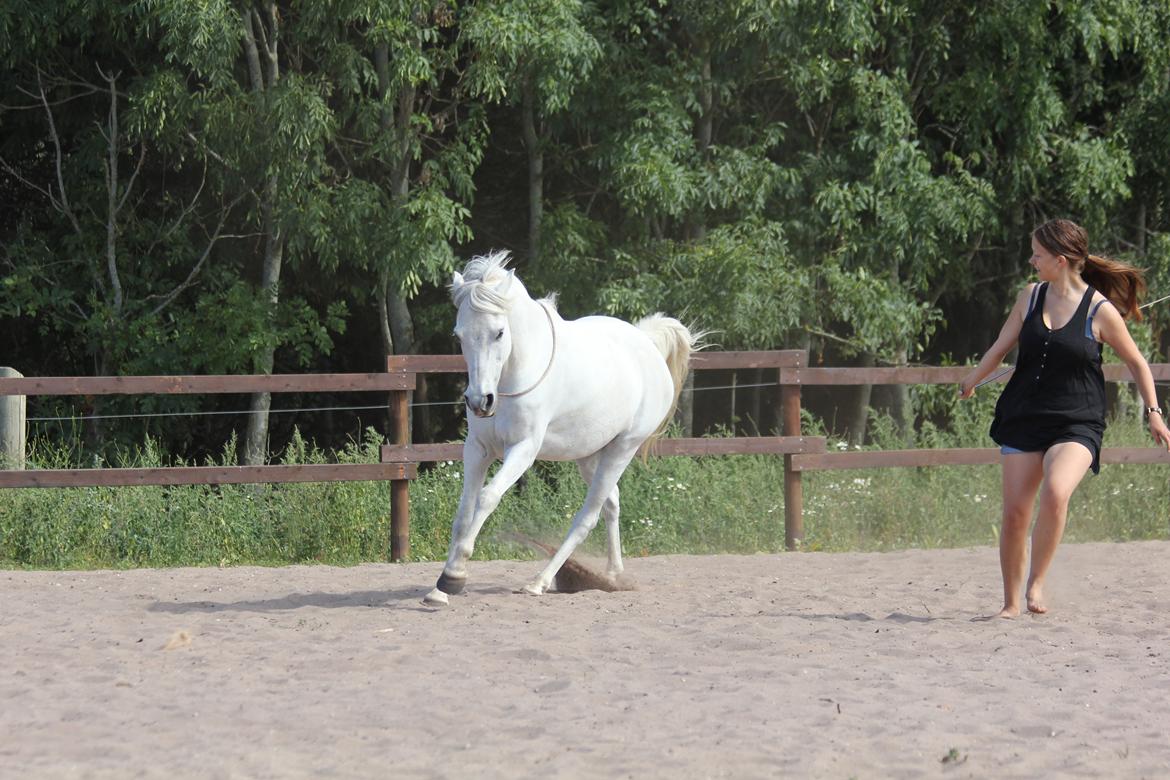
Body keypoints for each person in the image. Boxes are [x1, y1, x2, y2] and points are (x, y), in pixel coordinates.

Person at [959, 218, 1170, 618]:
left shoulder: (1100, 310)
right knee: (1015, 513)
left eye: (1037, 254)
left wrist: (1154, 414)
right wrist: (972, 379)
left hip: (1077, 419)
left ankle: (1036, 584)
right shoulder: (1030, 296)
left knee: (1056, 491)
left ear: (1059, 259)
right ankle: (1009, 603)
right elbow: (1000, 348)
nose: (1031, 259)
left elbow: (1138, 363)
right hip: (1025, 414)